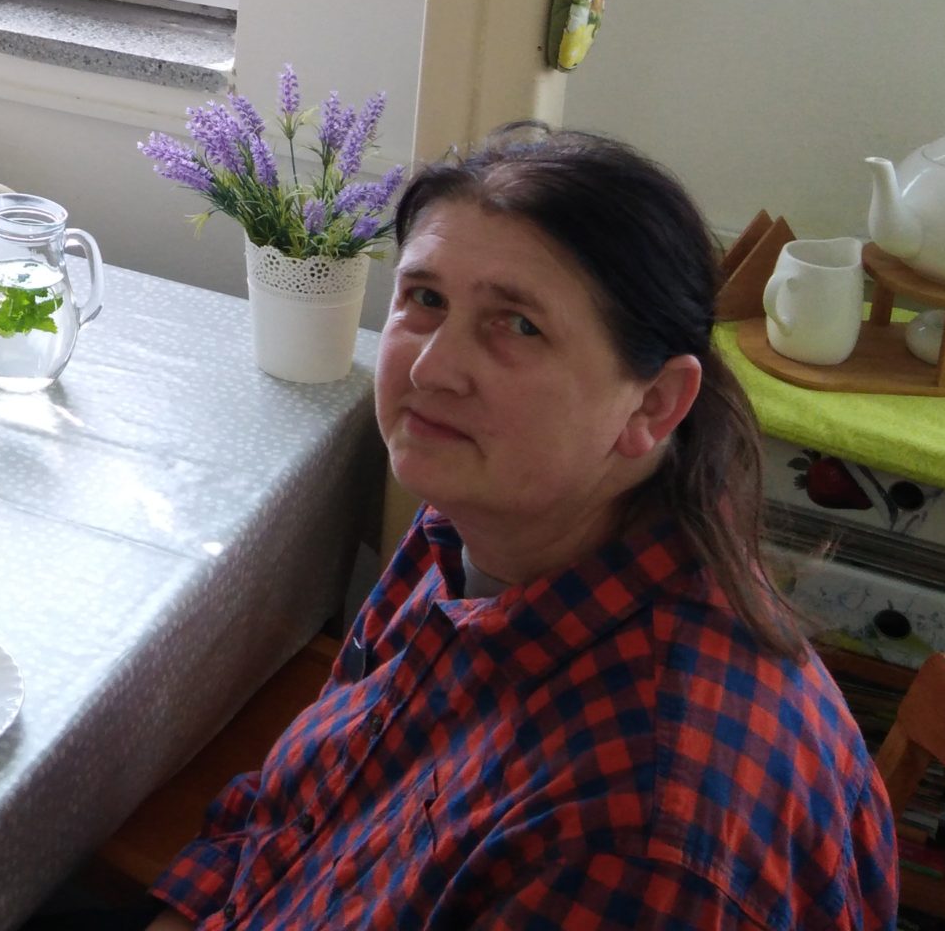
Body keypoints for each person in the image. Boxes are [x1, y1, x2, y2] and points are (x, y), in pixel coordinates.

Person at [147, 129, 896, 931]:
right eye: (424, 299)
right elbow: (301, 808)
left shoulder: (640, 834)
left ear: (652, 405)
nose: (431, 369)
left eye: (518, 325)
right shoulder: (474, 523)